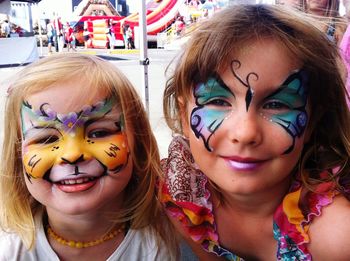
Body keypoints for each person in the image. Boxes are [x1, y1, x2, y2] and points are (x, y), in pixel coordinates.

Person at [160, 4, 350, 260]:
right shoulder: (169, 198)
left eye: (276, 105)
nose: (246, 132)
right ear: (185, 116)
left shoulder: (337, 239)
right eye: (218, 101)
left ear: (312, 122)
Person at [0, 53, 178, 260]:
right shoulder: (9, 252)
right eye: (47, 139)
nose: (73, 155)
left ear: (138, 144)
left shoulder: (158, 244)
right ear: (17, 158)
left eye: (99, 133)